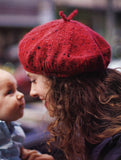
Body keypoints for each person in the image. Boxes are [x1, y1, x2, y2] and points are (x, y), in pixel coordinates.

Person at [18, 9, 121, 160]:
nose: (32, 92)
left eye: (34, 80)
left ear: (63, 84)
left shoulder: (114, 143)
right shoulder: (90, 128)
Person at [0, 69, 54, 160]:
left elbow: (15, 152)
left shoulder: (11, 128)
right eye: (9, 92)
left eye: (16, 89)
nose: (20, 95)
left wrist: (28, 156)